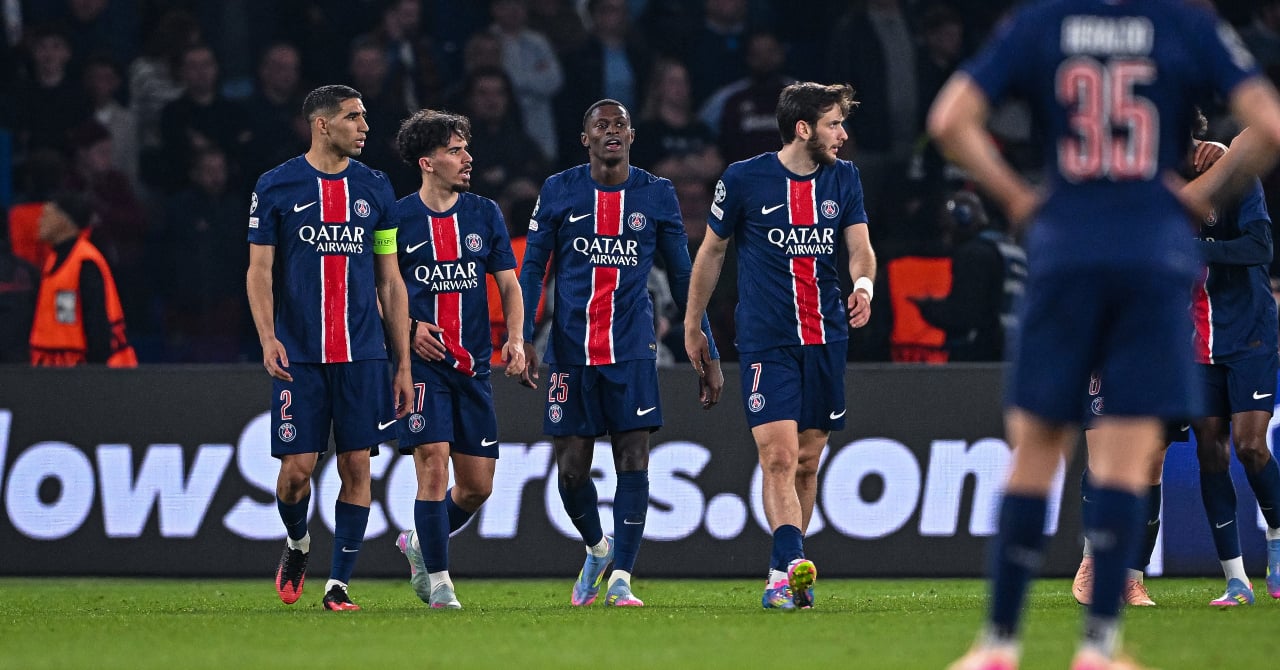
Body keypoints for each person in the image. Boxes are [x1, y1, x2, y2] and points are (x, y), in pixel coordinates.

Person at [926, 1, 1280, 667]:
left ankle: (997, 643)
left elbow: (948, 120)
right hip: (1151, 258)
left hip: (1066, 250)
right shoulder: (1183, 23)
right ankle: (1098, 647)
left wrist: (1017, 197)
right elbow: (1269, 125)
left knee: (1036, 453)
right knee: (1127, 459)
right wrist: (1196, 197)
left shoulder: (1042, 22)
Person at [517, 98, 722, 608]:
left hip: (632, 350)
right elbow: (533, 269)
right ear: (584, 138)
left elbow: (683, 274)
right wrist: (520, 336)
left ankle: (623, 578)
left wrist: (706, 344)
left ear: (632, 136)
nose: (611, 131)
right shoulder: (559, 190)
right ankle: (597, 548)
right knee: (571, 472)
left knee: (633, 457)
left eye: (620, 124)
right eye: (601, 125)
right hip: (570, 351)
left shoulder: (656, 194)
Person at [684, 81, 877, 610]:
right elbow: (712, 252)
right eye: (834, 124)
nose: (842, 134)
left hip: (826, 337)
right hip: (767, 341)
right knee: (778, 456)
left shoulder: (845, 178)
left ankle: (782, 580)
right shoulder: (743, 179)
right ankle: (791, 563)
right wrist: (693, 323)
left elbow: (860, 248)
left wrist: (863, 286)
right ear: (803, 128)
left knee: (808, 462)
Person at [246, 84, 414, 612]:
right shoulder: (276, 185)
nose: (365, 126)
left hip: (362, 353)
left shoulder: (376, 188)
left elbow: (390, 280)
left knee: (356, 466)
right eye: (353, 117)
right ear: (321, 124)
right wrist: (268, 336)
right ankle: (298, 543)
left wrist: (402, 362)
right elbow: (259, 270)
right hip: (300, 353)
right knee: (296, 473)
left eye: (364, 117)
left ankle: (338, 584)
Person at [388, 109, 527, 609]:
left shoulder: (484, 213)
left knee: (476, 489)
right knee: (433, 464)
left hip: (473, 368)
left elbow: (509, 284)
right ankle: (440, 581)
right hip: (423, 367)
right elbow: (376, 290)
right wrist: (409, 329)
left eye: (466, 148)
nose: (468, 158)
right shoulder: (395, 218)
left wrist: (516, 338)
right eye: (455, 150)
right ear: (427, 162)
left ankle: (419, 542)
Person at [913, 189, 1027, 362]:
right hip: (1012, 350)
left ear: (962, 220)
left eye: (947, 229)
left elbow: (965, 314)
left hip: (981, 356)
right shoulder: (1012, 249)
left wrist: (928, 307)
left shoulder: (973, 254)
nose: (945, 238)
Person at [29, 190, 137, 368]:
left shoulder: (85, 262)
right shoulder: (53, 260)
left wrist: (92, 376)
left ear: (64, 220)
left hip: (88, 373)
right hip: (57, 373)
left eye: (46, 215)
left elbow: (97, 327)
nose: (40, 221)